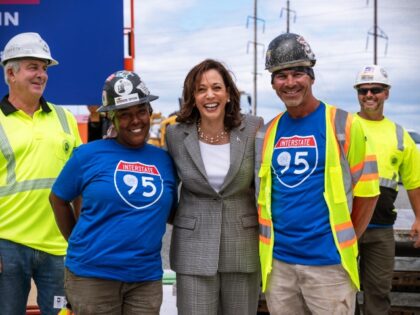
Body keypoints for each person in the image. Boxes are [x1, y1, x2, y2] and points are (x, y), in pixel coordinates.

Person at [255, 33, 380, 315]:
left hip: (329, 267)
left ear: (311, 76)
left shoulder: (344, 124)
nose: (289, 83)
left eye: (297, 73)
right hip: (279, 266)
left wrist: (343, 241)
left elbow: (369, 193)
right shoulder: (267, 133)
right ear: (272, 83)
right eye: (281, 75)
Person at [49, 70, 177, 315]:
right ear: (112, 120)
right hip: (92, 278)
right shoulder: (87, 155)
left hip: (145, 280)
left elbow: (170, 211)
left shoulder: (164, 160)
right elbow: (58, 199)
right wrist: (75, 241)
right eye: (125, 115)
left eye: (141, 111)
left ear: (150, 112)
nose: (135, 120)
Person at [165, 59, 263, 314]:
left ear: (229, 94)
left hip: (243, 246)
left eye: (216, 87)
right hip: (193, 248)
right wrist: (184, 219)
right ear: (193, 97)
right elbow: (166, 188)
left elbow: (263, 186)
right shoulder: (175, 135)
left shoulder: (254, 128)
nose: (209, 95)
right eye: (201, 89)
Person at [0, 32, 82, 314]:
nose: (41, 75)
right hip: (7, 245)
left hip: (58, 246)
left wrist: (81, 237)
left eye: (44, 68)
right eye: (33, 67)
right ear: (10, 73)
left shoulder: (64, 119)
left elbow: (79, 184)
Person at [353, 65, 420, 315]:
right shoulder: (345, 127)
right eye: (363, 90)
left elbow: (413, 182)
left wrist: (419, 218)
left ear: (386, 93)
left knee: (379, 292)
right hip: (345, 228)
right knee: (341, 292)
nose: (369, 95)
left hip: (381, 230)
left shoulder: (400, 135)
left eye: (376, 90)